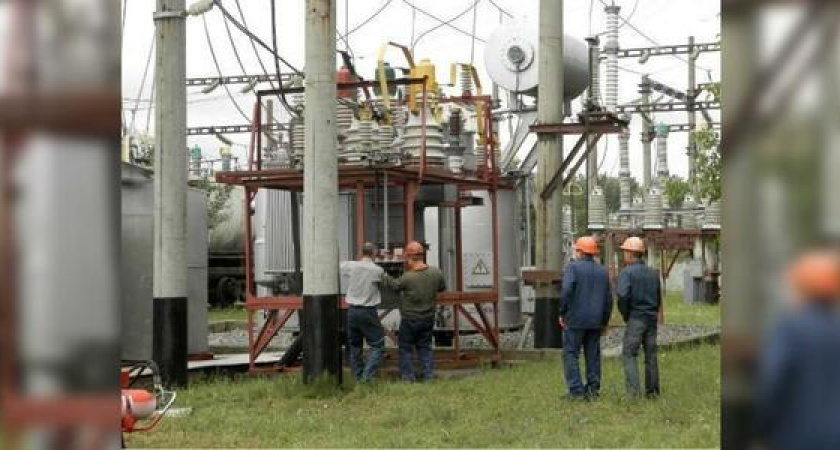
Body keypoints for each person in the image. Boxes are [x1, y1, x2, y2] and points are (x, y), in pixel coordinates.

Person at [753, 250, 840, 449]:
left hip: (795, 437)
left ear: (803, 289)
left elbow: (772, 382)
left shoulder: (790, 330)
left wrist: (760, 429)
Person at [381, 241, 446, 382]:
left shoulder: (408, 277)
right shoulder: (436, 272)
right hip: (428, 318)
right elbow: (441, 287)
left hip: (410, 319)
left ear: (410, 257)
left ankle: (408, 378)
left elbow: (395, 286)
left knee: (405, 348)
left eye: (406, 257)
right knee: (425, 347)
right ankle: (428, 376)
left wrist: (384, 275)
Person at [558, 236, 613, 400]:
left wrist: (562, 312)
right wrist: (604, 321)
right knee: (593, 356)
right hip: (596, 321)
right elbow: (609, 299)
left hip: (575, 320)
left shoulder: (573, 268)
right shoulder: (602, 271)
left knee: (571, 353)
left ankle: (576, 391)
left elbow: (566, 291)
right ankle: (593, 390)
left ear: (580, 251)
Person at [617, 236, 662, 398]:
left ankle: (633, 393)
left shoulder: (626, 273)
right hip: (651, 318)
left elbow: (622, 296)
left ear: (630, 253)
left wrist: (626, 314)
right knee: (651, 355)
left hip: (636, 318)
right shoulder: (653, 273)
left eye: (625, 252)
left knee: (629, 353)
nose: (624, 254)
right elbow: (658, 297)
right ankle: (653, 392)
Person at [339, 242, 386, 382]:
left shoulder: (351, 266)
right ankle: (367, 376)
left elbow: (338, 266)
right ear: (374, 253)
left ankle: (358, 377)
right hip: (368, 311)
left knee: (355, 345)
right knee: (378, 345)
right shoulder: (377, 270)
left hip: (352, 311)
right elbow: (384, 283)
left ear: (361, 252)